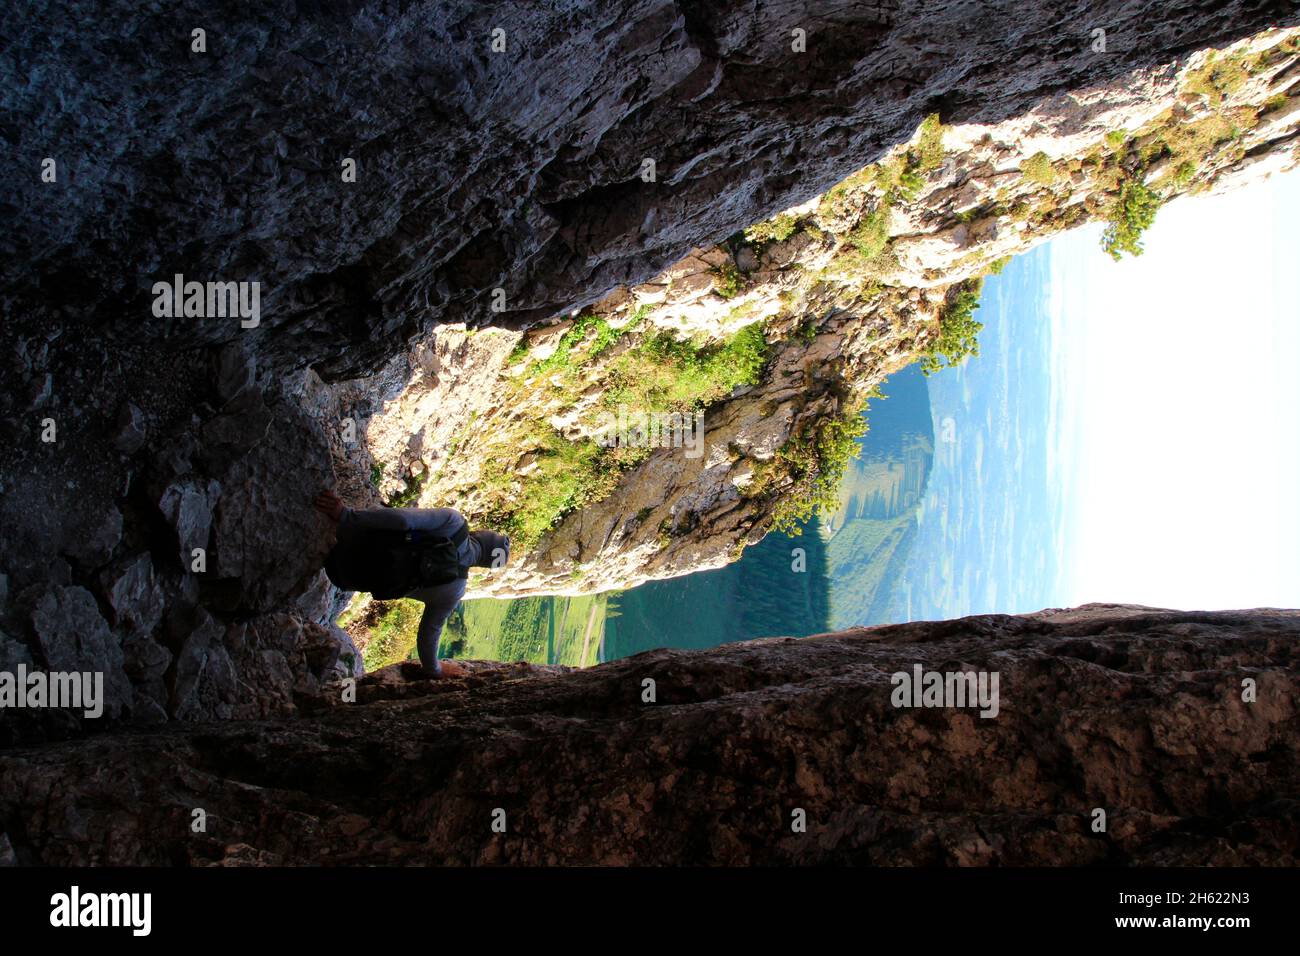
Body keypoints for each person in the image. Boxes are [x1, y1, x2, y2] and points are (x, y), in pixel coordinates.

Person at [314, 489, 510, 678]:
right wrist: (434, 670)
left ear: (482, 535)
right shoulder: (454, 590)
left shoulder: (454, 523)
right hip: (343, 575)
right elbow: (429, 633)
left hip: (347, 540)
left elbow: (402, 520)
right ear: (483, 564)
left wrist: (345, 515)